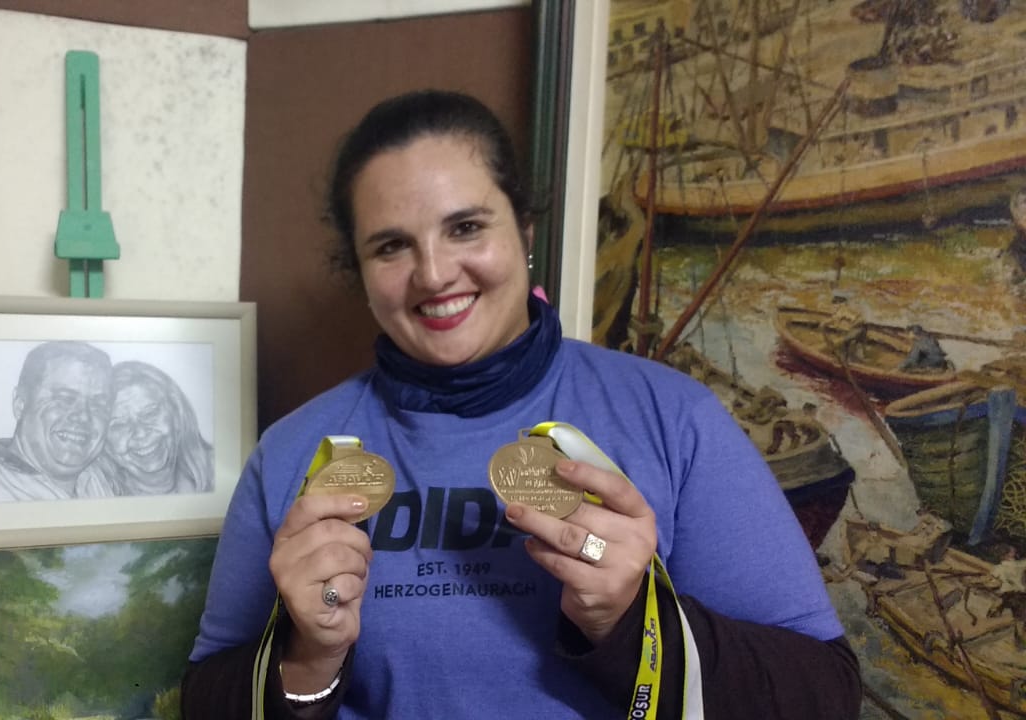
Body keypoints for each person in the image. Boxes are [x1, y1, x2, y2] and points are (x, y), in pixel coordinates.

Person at [181, 90, 861, 718]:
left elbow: (826, 697)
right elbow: (203, 702)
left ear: (525, 231)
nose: (434, 274)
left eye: (465, 227)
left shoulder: (673, 419)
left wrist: (631, 624)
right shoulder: (294, 453)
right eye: (391, 246)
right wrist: (309, 659)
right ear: (359, 271)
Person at [0, 341, 115, 502]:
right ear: (20, 405)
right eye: (65, 399)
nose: (83, 416)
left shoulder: (99, 478)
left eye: (98, 404)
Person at [101, 360, 215, 495]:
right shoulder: (96, 493)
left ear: (176, 413)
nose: (141, 433)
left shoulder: (217, 469)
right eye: (120, 425)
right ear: (105, 443)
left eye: (150, 413)